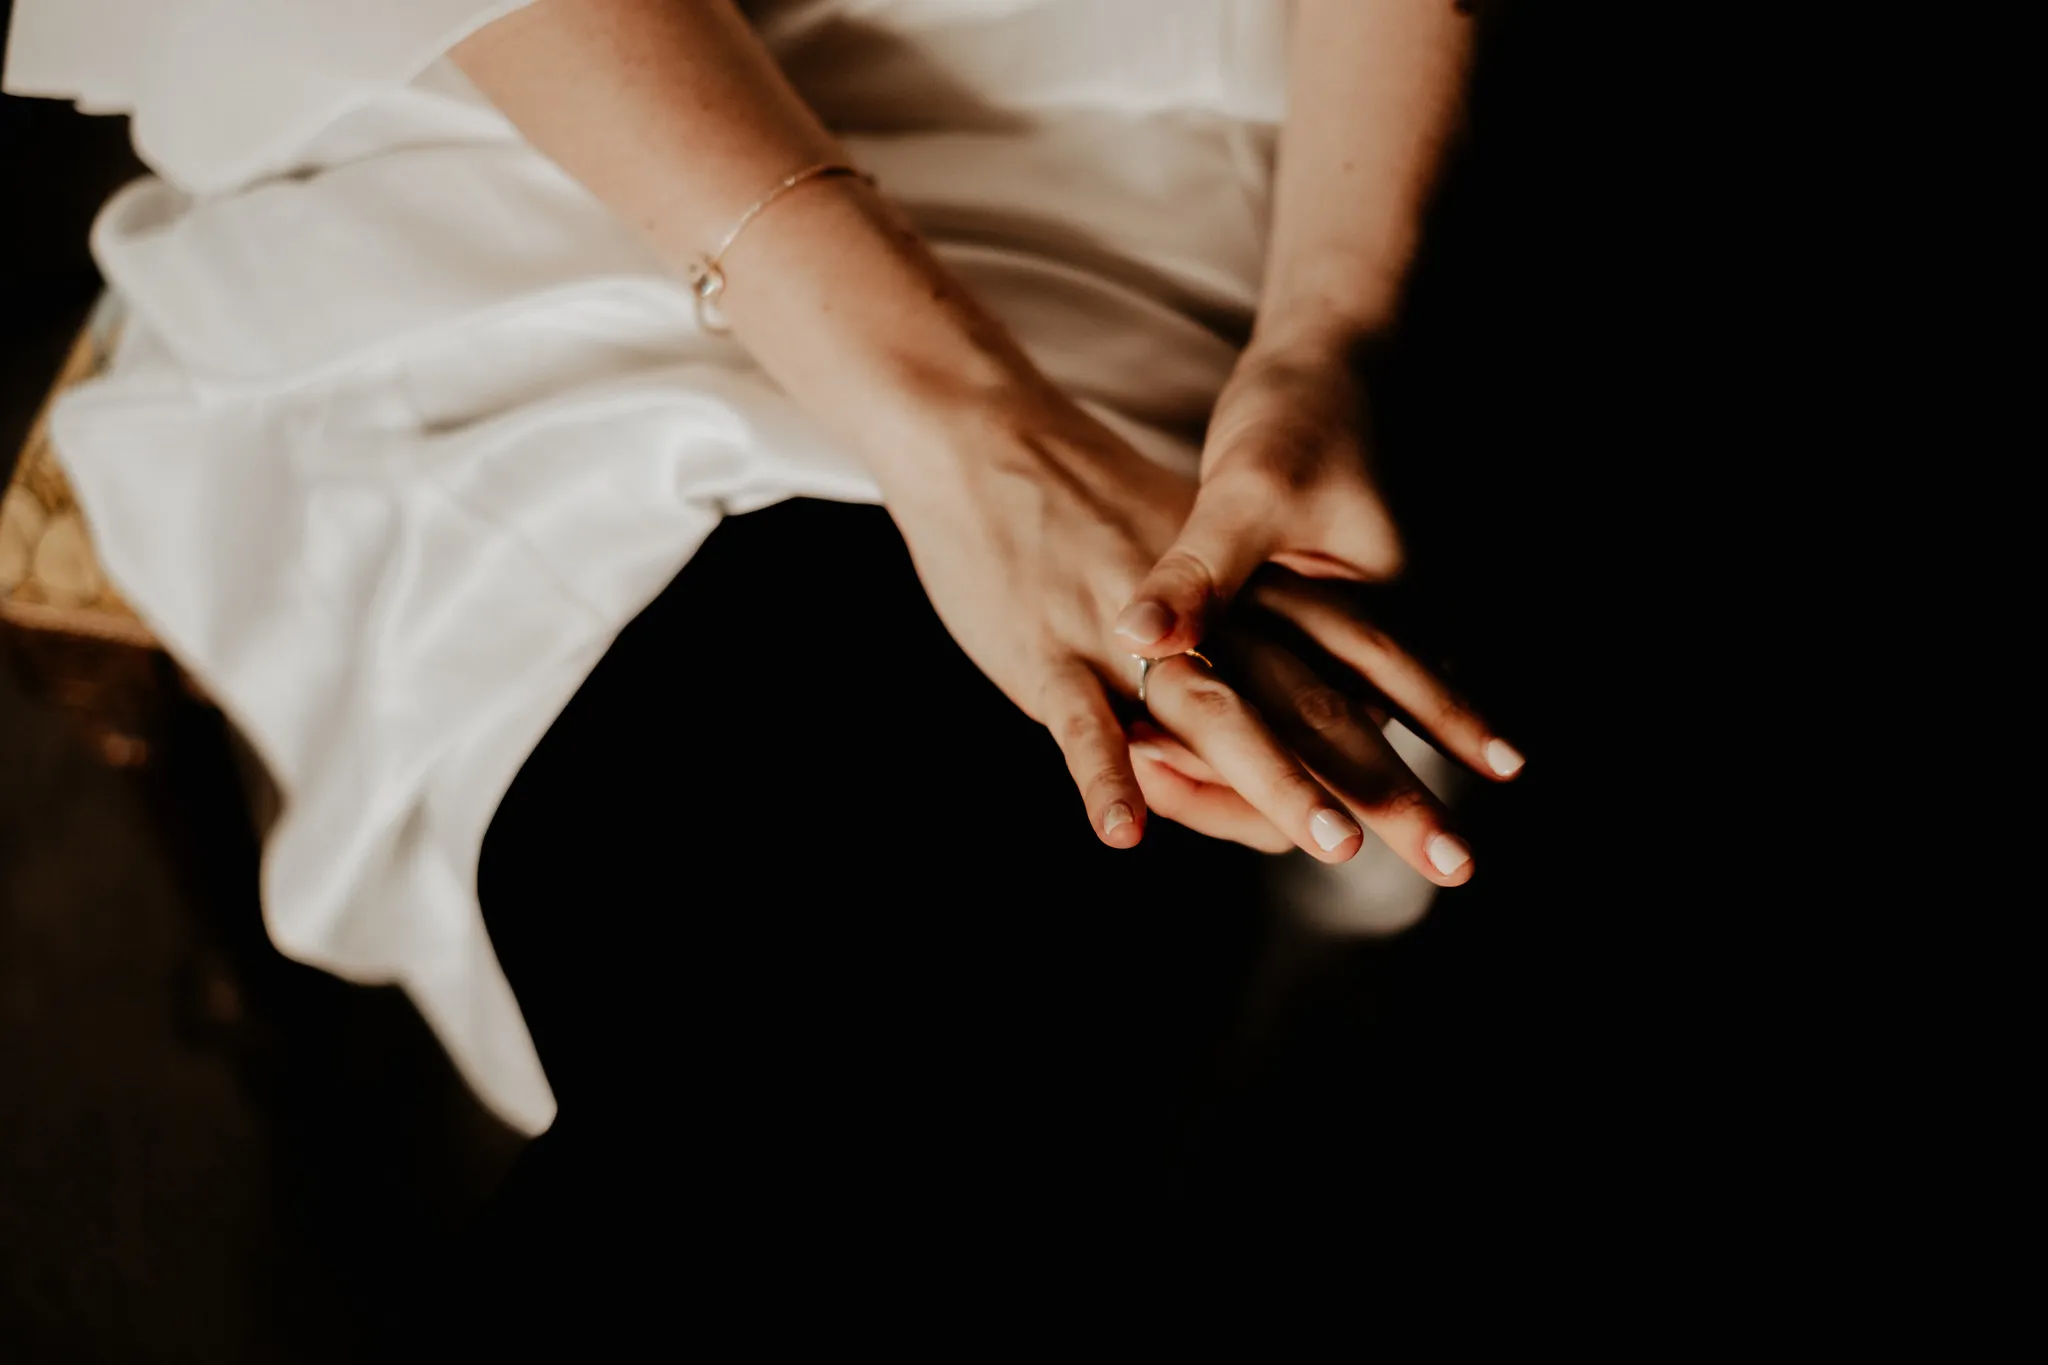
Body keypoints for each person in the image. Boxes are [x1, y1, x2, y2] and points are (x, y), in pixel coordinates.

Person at [8, 0, 1517, 1307]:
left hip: (1215, 125)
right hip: (586, 119)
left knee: (1030, 893)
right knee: (894, 980)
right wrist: (971, 434)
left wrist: (1329, 333)